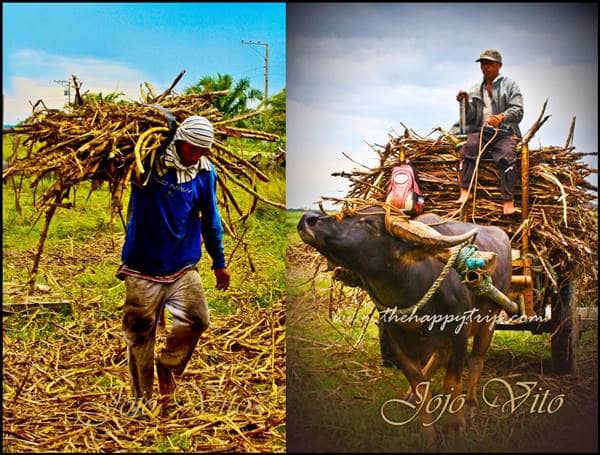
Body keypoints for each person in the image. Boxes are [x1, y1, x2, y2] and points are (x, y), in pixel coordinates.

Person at [117, 115, 230, 401]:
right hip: (142, 267)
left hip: (183, 266)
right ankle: (141, 400)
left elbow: (211, 220)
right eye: (193, 149)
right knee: (140, 335)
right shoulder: (147, 162)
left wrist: (219, 262)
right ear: (178, 141)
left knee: (198, 320)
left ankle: (168, 365)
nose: (197, 156)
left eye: (204, 150)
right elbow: (116, 164)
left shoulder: (204, 173)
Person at [452, 49, 524, 215]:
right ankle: (465, 191)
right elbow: (470, 118)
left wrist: (501, 116)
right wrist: (465, 103)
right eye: (483, 64)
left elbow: (518, 110)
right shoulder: (476, 88)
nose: (485, 67)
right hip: (482, 130)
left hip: (504, 132)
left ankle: (508, 202)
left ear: (499, 65)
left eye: (489, 63)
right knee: (469, 147)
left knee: (507, 155)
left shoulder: (510, 85)